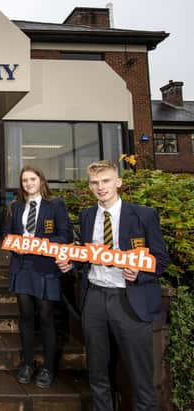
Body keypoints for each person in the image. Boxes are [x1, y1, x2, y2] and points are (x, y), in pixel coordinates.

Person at [58, 160, 170, 411]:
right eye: (95, 183)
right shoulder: (87, 216)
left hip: (130, 301)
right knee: (98, 373)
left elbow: (162, 260)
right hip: (95, 299)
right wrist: (72, 265)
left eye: (106, 181)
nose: (101, 187)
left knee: (140, 377)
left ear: (118, 182)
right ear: (89, 186)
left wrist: (140, 272)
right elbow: (88, 257)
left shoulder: (143, 215)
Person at [2, 166, 72, 388]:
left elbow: (65, 235)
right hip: (22, 266)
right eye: (24, 180)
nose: (28, 183)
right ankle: (28, 364)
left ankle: (49, 368)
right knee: (26, 316)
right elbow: (6, 234)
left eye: (32, 179)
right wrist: (15, 246)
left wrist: (41, 245)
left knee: (46, 316)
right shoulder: (15, 206)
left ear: (41, 180)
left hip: (45, 266)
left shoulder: (56, 204)